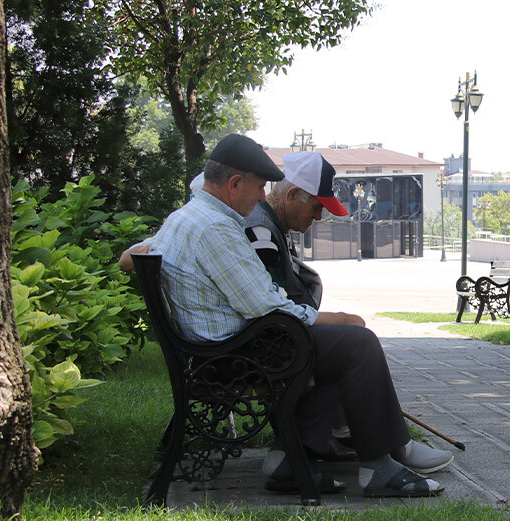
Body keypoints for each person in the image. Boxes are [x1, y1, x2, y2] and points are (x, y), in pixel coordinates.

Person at [146, 134, 443, 497]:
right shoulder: (215, 227)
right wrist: (327, 319)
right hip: (234, 355)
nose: (260, 197)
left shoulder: (188, 216)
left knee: (337, 349)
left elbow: (141, 256)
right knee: (357, 344)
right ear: (235, 183)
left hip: (216, 349)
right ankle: (379, 467)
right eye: (257, 188)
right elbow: (264, 306)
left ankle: (294, 460)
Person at [242, 149, 453, 474]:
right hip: (273, 342)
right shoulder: (261, 232)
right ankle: (389, 448)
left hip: (273, 337)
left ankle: (307, 445)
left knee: (346, 340)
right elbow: (270, 304)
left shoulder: (269, 227)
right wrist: (335, 320)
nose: (319, 218)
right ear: (294, 194)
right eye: (316, 207)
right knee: (357, 341)